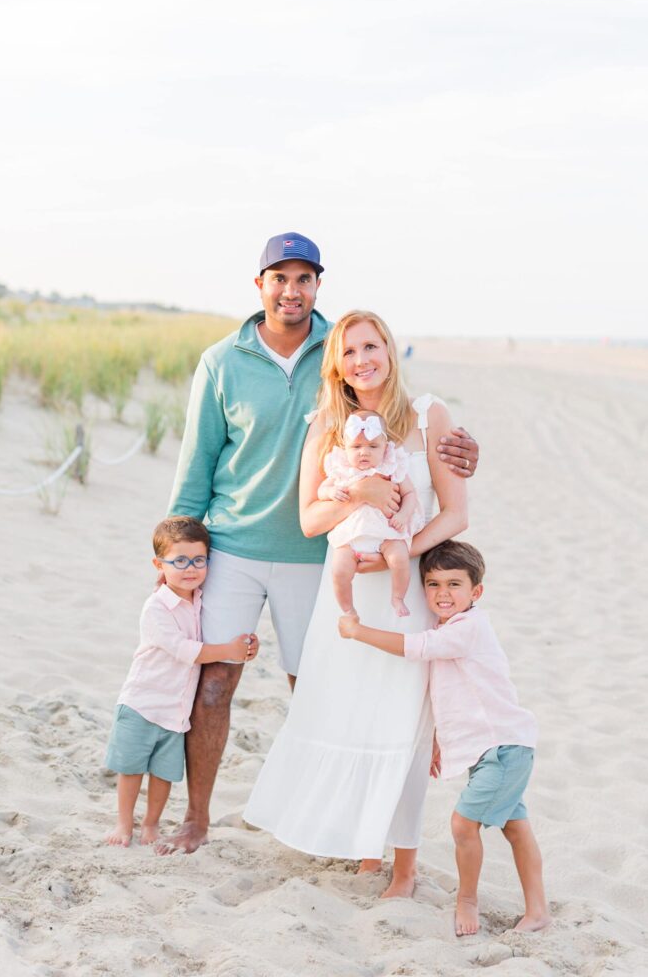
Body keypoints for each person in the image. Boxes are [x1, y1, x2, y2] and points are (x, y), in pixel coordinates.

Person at [159, 233, 480, 856]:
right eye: (279, 278)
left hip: (319, 559)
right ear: (260, 286)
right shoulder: (221, 362)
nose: (291, 290)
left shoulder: (341, 346)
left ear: (316, 286)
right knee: (216, 681)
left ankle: (335, 827)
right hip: (234, 545)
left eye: (303, 279)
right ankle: (196, 818)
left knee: (316, 688)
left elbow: (407, 423)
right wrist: (177, 551)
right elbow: (196, 461)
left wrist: (466, 450)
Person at [243, 310, 470, 898]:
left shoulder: (429, 416)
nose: (362, 359)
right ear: (337, 365)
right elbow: (309, 517)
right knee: (350, 713)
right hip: (346, 598)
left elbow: (455, 511)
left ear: (390, 351)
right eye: (348, 352)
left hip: (405, 591)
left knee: (405, 722)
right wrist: (357, 497)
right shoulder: (325, 425)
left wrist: (399, 550)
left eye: (371, 346)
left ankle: (405, 866)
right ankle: (364, 846)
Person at [339, 540, 550, 935]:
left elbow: (416, 649)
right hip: (497, 748)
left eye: (454, 584)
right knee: (516, 828)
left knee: (461, 825)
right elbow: (450, 690)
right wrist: (439, 738)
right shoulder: (449, 627)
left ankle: (467, 900)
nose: (442, 594)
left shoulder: (468, 627)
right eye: (433, 584)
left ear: (476, 592)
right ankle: (537, 910)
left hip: (502, 748)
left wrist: (357, 631)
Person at [105, 516, 258, 848]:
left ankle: (151, 825)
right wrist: (227, 649)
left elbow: (217, 635)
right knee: (131, 769)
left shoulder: (201, 599)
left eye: (199, 560)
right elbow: (185, 650)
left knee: (163, 774)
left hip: (176, 711)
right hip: (143, 704)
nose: (191, 569)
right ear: (159, 564)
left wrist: (243, 646)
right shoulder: (156, 607)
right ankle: (123, 824)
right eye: (180, 561)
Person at [318, 407, 423, 616]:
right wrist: (330, 491)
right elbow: (321, 490)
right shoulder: (342, 470)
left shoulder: (391, 468)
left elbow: (410, 494)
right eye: (356, 446)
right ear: (345, 448)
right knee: (339, 570)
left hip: (386, 532)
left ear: (385, 448)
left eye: (373, 446)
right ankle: (348, 609)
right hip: (351, 534)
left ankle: (397, 597)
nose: (364, 452)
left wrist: (403, 515)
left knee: (400, 558)